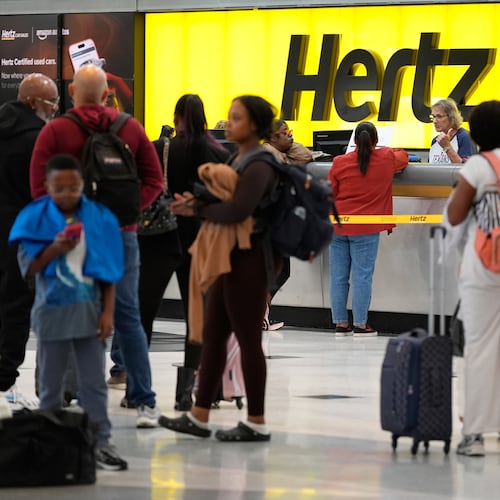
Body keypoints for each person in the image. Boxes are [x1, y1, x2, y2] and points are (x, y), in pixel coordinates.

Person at [29, 64, 164, 428]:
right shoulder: (130, 128)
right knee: (127, 316)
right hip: (121, 234)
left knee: (70, 313)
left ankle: (62, 400)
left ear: (72, 91)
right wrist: (130, 212)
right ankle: (144, 401)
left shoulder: (56, 130)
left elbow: (39, 188)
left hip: (73, 239)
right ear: (107, 94)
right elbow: (155, 180)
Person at [158, 95, 281, 441]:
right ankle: (199, 415)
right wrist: (194, 203)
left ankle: (256, 421)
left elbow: (238, 211)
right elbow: (223, 203)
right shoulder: (238, 158)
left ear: (255, 125)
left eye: (237, 118)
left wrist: (196, 211)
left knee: (248, 340)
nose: (228, 123)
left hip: (249, 260)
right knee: (212, 337)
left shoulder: (260, 164)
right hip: (229, 258)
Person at [9, 154, 127, 470]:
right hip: (51, 316)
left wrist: (108, 314)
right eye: (58, 188)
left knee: (94, 384)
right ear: (46, 187)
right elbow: (30, 268)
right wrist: (53, 249)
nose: (66, 194)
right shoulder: (36, 220)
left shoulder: (97, 220)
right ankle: (50, 444)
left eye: (73, 187)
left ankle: (101, 441)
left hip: (90, 314)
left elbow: (109, 272)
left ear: (83, 186)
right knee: (50, 386)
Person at [112, 94, 230, 411]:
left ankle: (136, 389)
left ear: (176, 116)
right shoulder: (217, 152)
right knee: (198, 318)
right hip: (200, 240)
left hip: (158, 238)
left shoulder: (157, 147)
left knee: (143, 315)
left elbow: (137, 185)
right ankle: (186, 393)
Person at [0, 73, 59, 411]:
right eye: (51, 103)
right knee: (17, 305)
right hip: (22, 232)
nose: (54, 110)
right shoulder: (39, 138)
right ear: (35, 103)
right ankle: (6, 379)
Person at [446, 100, 500, 456]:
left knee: (479, 348)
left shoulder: (479, 167)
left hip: (484, 269)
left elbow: (454, 215)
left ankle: (476, 434)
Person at [328, 122, 408, 337]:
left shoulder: (339, 162)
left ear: (354, 141)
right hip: (366, 227)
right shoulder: (386, 158)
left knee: (338, 276)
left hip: (338, 225)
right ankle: (361, 324)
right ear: (375, 140)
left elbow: (331, 192)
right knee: (362, 276)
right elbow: (403, 155)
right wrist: (384, 149)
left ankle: (340, 322)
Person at [428, 98, 475, 164]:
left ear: (452, 117)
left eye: (439, 116)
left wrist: (447, 147)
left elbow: (466, 168)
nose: (435, 121)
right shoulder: (435, 141)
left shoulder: (465, 137)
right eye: (433, 117)